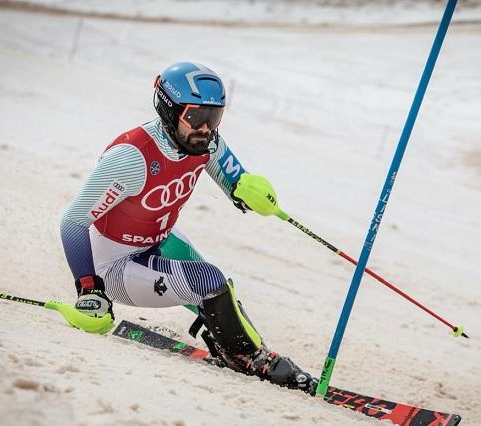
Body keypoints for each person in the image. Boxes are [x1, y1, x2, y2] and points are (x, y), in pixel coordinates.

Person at [60, 62, 315, 394]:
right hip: (115, 265)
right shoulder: (131, 158)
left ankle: (248, 351)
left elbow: (236, 182)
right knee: (209, 280)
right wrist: (89, 288)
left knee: (225, 295)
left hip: (158, 239)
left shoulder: (204, 143)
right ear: (169, 109)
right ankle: (248, 358)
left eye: (215, 117)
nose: (207, 128)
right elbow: (73, 221)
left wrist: (254, 193)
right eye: (196, 117)